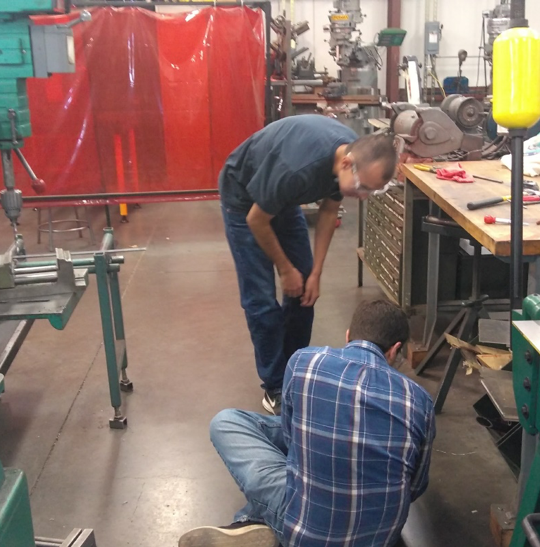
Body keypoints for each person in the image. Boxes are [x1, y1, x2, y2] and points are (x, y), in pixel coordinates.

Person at [179, 299, 436, 547]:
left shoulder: (305, 362)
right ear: (394, 350)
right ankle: (253, 523)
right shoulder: (419, 401)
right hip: (378, 539)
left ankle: (250, 521)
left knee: (226, 421)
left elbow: (293, 442)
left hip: (305, 535)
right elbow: (414, 487)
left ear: (348, 336)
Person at [219, 115, 398, 414]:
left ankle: (295, 370)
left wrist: (315, 273)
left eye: (371, 191)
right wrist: (285, 269)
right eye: (362, 187)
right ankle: (276, 386)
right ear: (346, 164)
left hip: (282, 197)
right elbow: (257, 220)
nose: (363, 197)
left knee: (304, 292)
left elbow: (328, 212)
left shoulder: (349, 157)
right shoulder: (298, 169)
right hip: (243, 198)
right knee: (261, 301)